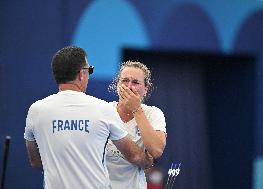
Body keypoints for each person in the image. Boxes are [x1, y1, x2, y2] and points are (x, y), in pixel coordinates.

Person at [24, 46, 153, 189]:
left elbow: (36, 161)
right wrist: (148, 161)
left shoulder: (35, 111)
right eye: (89, 71)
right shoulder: (103, 109)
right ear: (81, 74)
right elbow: (134, 156)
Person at [106, 61, 167, 189]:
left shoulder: (153, 113)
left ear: (146, 89)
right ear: (117, 85)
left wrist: (137, 109)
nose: (129, 87)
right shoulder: (104, 111)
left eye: (136, 82)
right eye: (125, 81)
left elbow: (156, 151)